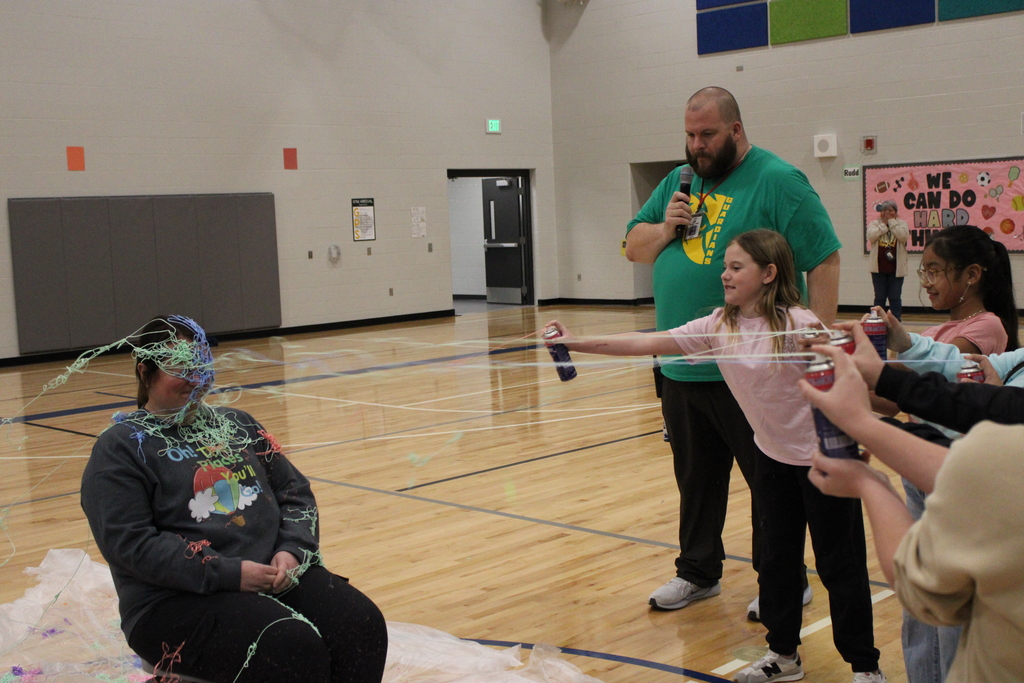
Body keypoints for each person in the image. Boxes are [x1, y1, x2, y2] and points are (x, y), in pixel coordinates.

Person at [550, 230, 883, 683]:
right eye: (725, 266)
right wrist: (578, 342)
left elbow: (853, 386)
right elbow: (648, 342)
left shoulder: (799, 325)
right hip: (772, 458)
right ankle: (783, 656)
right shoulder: (718, 325)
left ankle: (865, 667)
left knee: (838, 565)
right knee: (778, 564)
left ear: (768, 274)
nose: (724, 275)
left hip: (827, 460)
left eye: (736, 267)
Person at [624, 86, 840, 619]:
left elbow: (826, 258)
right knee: (695, 478)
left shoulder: (778, 180)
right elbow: (633, 246)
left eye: (708, 135)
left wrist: (817, 345)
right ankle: (698, 572)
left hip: (753, 367)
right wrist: (666, 226)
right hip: (682, 363)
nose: (697, 146)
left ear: (736, 130)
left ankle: (782, 578)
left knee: (768, 480)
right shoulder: (680, 182)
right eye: (690, 135)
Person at [80, 316, 388, 683]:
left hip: (272, 576)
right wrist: (230, 573)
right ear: (146, 372)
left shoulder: (238, 424)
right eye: (182, 368)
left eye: (202, 366)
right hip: (172, 602)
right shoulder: (120, 448)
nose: (197, 379)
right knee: (290, 646)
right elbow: (132, 545)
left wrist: (293, 550)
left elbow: (295, 494)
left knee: (361, 625)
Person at [800, 341, 1024, 682]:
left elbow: (922, 591)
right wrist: (882, 383)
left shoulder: (1002, 458)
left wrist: (870, 483)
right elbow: (995, 409)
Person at [870, 225, 1017, 683]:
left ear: (971, 274)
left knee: (950, 607)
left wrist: (885, 362)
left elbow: (942, 379)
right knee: (918, 606)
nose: (926, 281)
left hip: (955, 475)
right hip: (922, 474)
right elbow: (895, 399)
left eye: (935, 270)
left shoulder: (986, 326)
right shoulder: (935, 328)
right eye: (923, 270)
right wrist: (840, 371)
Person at [866, 200, 909, 320]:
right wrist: (884, 225)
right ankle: (876, 321)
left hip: (896, 269)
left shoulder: (902, 224)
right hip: (878, 269)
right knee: (879, 297)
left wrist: (891, 222)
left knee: (895, 297)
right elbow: (871, 236)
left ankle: (896, 322)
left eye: (890, 210)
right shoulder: (875, 224)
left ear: (895, 212)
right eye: (884, 210)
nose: (887, 212)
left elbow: (903, 236)